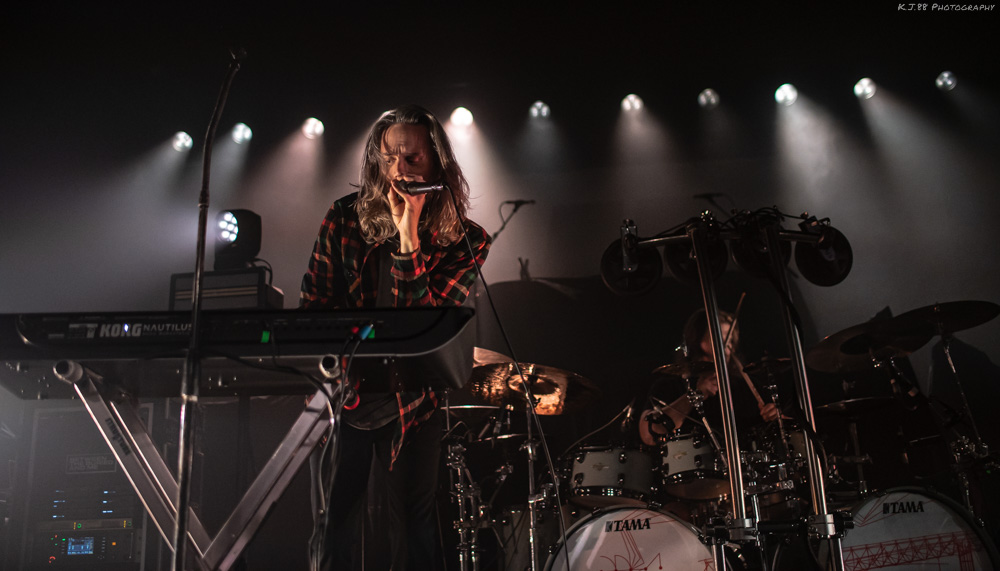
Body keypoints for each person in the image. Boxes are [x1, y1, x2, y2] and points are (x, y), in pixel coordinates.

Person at [300, 104, 491, 571]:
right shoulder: (343, 219)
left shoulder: (467, 240)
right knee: (334, 525)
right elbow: (313, 308)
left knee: (414, 527)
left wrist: (408, 238)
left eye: (413, 159)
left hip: (415, 400)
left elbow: (419, 327)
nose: (399, 171)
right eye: (389, 159)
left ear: (438, 163)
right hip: (347, 393)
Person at [639, 309, 782, 447]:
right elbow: (649, 435)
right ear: (699, 341)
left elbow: (771, 433)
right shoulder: (669, 386)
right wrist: (694, 395)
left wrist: (773, 416)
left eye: (731, 340)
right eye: (722, 339)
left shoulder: (745, 386)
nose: (729, 347)